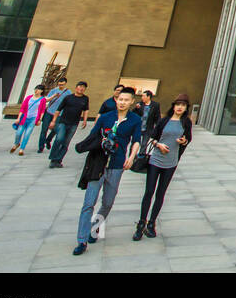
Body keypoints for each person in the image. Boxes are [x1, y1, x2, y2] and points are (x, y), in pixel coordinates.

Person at [72, 86, 141, 256]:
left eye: (126, 100)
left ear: (132, 102)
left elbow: (136, 140)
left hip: (117, 165)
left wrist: (131, 157)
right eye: (120, 99)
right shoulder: (105, 117)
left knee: (108, 202)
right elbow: (93, 136)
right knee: (89, 203)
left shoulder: (135, 120)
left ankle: (95, 228)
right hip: (98, 164)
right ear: (116, 100)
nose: (122, 102)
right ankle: (81, 240)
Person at [134, 93, 192, 240]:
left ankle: (151, 223)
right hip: (156, 160)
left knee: (161, 193)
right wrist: (158, 145)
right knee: (149, 192)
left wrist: (183, 141)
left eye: (183, 105)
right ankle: (141, 223)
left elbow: (188, 139)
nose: (180, 107)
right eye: (178, 104)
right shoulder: (164, 120)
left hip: (171, 162)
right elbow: (152, 138)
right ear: (173, 106)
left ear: (186, 108)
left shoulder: (186, 122)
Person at [48, 82, 90, 167]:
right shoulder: (68, 97)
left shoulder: (85, 99)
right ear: (76, 87)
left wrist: (85, 120)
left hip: (74, 124)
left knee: (66, 142)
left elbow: (86, 110)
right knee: (59, 139)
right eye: (80, 86)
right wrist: (53, 121)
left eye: (83, 87)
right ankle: (53, 158)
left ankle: (58, 160)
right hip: (63, 122)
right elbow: (58, 110)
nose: (81, 88)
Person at [11, 86, 48, 155]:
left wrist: (40, 119)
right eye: (36, 89)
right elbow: (22, 108)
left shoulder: (43, 99)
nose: (36, 90)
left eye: (38, 89)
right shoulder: (29, 97)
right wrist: (18, 118)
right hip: (24, 118)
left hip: (33, 119)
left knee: (27, 134)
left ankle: (22, 149)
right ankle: (17, 143)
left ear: (42, 91)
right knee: (18, 133)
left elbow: (42, 110)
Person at [37, 78, 71, 153]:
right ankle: (41, 147)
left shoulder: (68, 92)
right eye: (59, 84)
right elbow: (46, 100)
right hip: (49, 112)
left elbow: (69, 102)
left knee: (56, 129)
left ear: (65, 83)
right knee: (44, 129)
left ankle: (48, 140)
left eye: (62, 84)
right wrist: (54, 96)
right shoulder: (53, 91)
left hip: (59, 114)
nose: (60, 85)